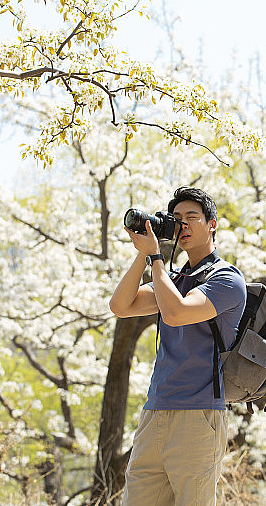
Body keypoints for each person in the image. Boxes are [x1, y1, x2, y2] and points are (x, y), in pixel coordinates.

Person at [109, 186, 246, 506]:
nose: (182, 225)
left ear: (213, 224)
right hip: (155, 410)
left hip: (198, 416)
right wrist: (144, 253)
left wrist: (156, 258)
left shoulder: (227, 279)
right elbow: (121, 305)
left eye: (191, 218)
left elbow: (175, 312)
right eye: (176, 219)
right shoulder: (171, 278)